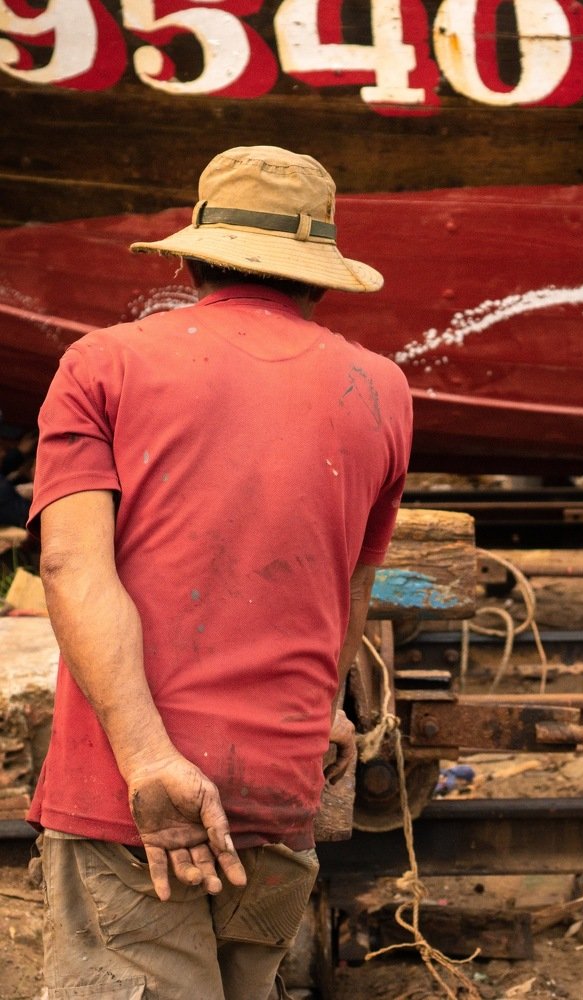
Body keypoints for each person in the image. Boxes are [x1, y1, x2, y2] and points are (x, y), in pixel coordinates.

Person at [28, 145, 413, 999]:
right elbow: (349, 578)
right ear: (319, 271)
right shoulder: (382, 388)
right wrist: (325, 706)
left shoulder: (102, 366)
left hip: (130, 797)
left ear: (194, 254)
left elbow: (68, 563)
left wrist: (147, 760)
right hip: (282, 788)